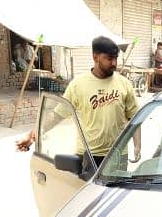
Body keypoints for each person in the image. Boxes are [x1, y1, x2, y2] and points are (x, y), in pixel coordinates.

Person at [16, 36, 141, 166]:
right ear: (95, 57)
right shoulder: (78, 85)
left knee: (116, 188)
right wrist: (32, 136)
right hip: (88, 155)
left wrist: (138, 145)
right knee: (88, 187)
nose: (114, 63)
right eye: (109, 59)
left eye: (116, 58)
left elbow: (135, 117)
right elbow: (56, 115)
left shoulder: (124, 84)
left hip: (118, 154)